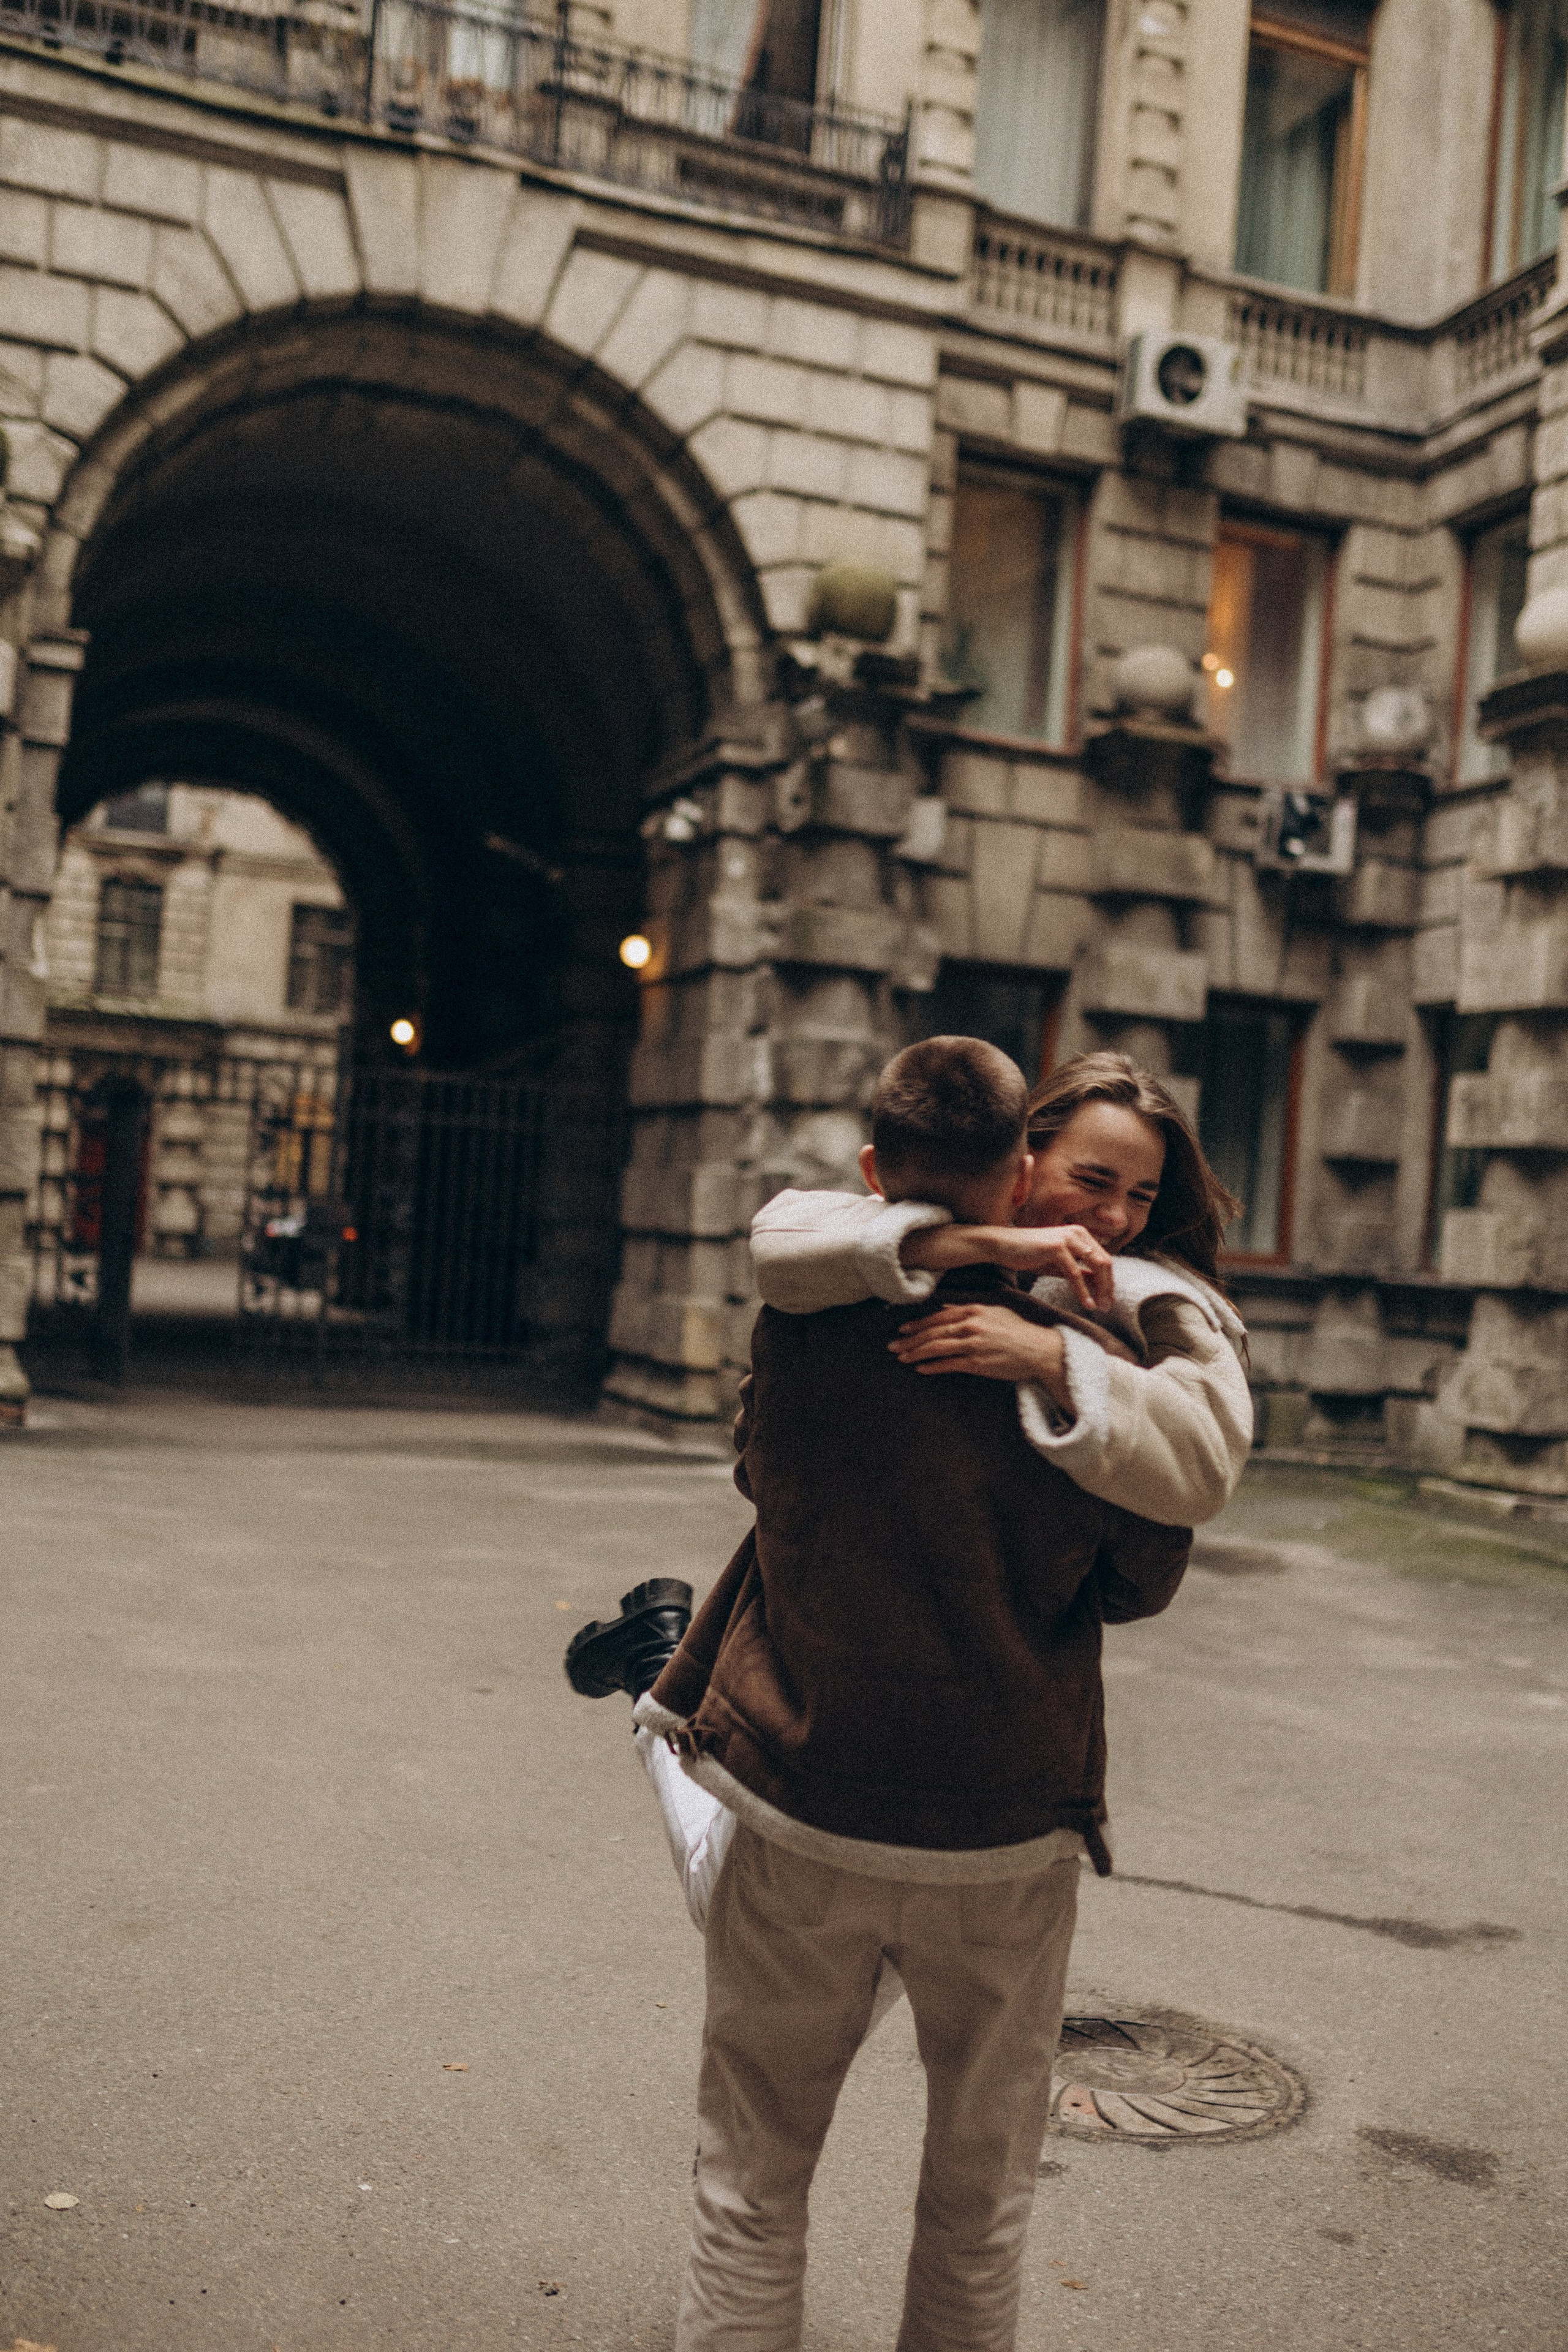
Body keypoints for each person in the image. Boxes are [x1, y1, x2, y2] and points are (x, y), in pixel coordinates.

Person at [578, 1036, 1191, 2352]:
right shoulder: (1090, 1357)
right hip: (1004, 1833)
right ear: (1021, 1162)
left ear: (876, 1171)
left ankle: (654, 1675)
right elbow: (1140, 1580)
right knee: (978, 2204)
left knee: (749, 2182)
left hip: (806, 1797)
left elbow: (761, 1478)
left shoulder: (802, 1315)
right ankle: (654, 1674)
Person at [750, 1049, 1251, 1528]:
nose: (1118, 1217)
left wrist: (1055, 1356)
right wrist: (989, 1244)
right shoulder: (916, 1230)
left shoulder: (1154, 1297)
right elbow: (778, 1241)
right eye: (1093, 1181)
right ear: (1023, 1163)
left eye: (1142, 1196)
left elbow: (1211, 1465)